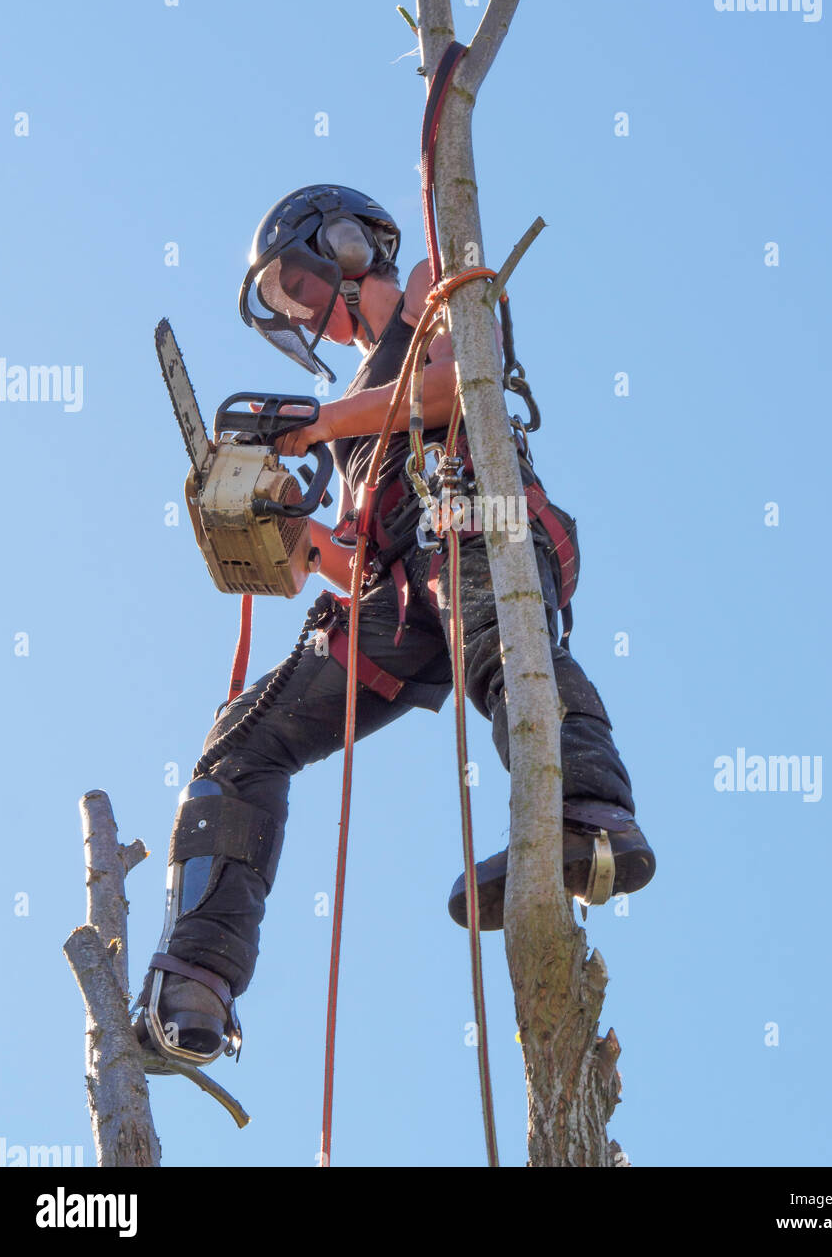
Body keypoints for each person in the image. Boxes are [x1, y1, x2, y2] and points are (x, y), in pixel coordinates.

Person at [134, 184, 656, 1069]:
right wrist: (287, 534)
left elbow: (461, 383)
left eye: (297, 285)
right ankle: (197, 981)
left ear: (343, 247)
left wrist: (321, 421)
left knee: (494, 638)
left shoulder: (428, 285)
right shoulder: (352, 415)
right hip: (401, 585)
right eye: (284, 306)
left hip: (474, 515)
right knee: (240, 750)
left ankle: (589, 812)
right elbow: (360, 556)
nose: (304, 314)